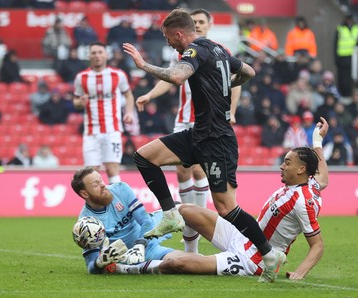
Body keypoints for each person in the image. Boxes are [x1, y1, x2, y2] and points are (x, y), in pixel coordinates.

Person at [123, 8, 286, 282]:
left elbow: (177, 77)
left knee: (226, 208)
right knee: (144, 156)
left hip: (217, 140)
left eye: (168, 38)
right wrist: (226, 85)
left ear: (178, 34)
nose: (168, 44)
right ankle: (170, 214)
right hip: (198, 133)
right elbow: (248, 71)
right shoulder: (218, 49)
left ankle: (269, 253)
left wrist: (143, 66)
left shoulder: (195, 50)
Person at [107, 117, 329, 281]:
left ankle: (120, 268)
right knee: (185, 210)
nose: (282, 165)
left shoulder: (303, 202)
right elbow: (324, 177)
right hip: (242, 236)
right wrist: (317, 140)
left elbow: (317, 245)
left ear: (301, 169)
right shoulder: (311, 182)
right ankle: (183, 253)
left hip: (254, 260)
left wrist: (299, 273)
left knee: (174, 264)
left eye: (287, 163)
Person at [135, 8, 241, 226]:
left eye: (202, 21)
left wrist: (232, 110)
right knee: (182, 173)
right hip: (184, 118)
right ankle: (188, 228)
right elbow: (173, 77)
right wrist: (150, 94)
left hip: (209, 122)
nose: (198, 24)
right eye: (195, 21)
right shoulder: (184, 52)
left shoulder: (219, 51)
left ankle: (199, 218)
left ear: (209, 25)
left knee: (200, 171)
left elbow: (234, 80)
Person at [70, 166, 190, 274]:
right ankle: (192, 255)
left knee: (183, 210)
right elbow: (91, 265)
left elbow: (145, 221)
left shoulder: (120, 189)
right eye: (96, 184)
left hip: (146, 234)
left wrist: (140, 244)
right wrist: (99, 263)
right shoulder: (87, 224)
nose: (103, 185)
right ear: (84, 194)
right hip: (134, 253)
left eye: (101, 180)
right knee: (180, 262)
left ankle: (191, 249)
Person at [73, 42, 135, 184]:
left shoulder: (118, 75)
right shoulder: (81, 78)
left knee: (112, 170)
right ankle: (96, 206)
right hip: (90, 132)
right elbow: (76, 101)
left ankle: (116, 204)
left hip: (112, 130)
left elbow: (129, 95)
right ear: (89, 56)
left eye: (100, 52)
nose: (97, 56)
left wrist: (129, 112)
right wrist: (79, 103)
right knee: (91, 174)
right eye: (94, 53)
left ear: (106, 55)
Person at [334, 14, 358, 97]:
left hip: (352, 57)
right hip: (341, 57)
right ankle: (341, 93)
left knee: (350, 77)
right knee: (341, 77)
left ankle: (349, 93)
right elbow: (335, 44)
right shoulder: (340, 28)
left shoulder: (357, 29)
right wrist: (336, 57)